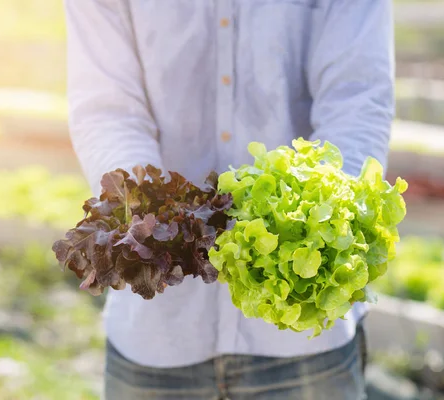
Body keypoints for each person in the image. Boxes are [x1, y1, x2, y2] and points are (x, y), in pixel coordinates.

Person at [64, 1, 393, 399]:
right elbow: (108, 107)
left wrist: (315, 236)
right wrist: (151, 226)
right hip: (160, 336)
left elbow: (356, 98)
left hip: (301, 341)